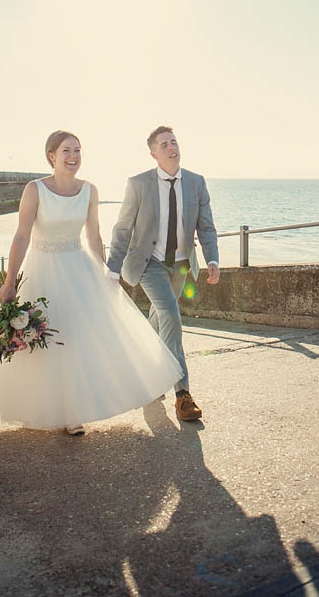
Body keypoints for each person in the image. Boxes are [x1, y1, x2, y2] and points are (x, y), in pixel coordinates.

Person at [0, 131, 182, 435]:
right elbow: (21, 236)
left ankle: (73, 413)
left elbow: (94, 235)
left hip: (77, 267)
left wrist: (105, 273)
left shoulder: (89, 190)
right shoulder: (35, 190)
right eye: (66, 151)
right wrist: (9, 281)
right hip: (41, 268)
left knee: (74, 338)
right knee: (43, 340)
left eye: (77, 151)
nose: (73, 156)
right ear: (51, 157)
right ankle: (46, 407)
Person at [107, 126, 219, 421]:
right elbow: (122, 228)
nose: (172, 148)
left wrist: (213, 260)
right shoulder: (139, 184)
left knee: (158, 318)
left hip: (181, 263)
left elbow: (205, 227)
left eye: (174, 142)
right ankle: (183, 394)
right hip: (150, 263)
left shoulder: (196, 182)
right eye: (164, 144)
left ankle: (147, 376)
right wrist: (112, 268)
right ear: (153, 153)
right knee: (170, 314)